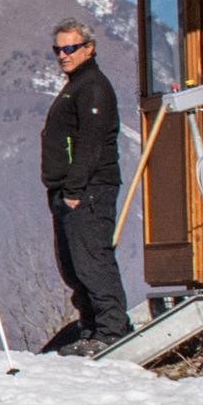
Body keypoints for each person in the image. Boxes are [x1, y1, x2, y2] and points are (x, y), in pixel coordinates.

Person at [40, 18, 132, 356]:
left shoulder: (92, 86)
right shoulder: (75, 85)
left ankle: (112, 330)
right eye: (58, 49)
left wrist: (75, 190)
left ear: (88, 48)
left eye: (70, 48)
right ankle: (91, 328)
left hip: (89, 190)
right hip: (67, 190)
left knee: (92, 259)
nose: (63, 55)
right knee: (73, 265)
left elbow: (91, 143)